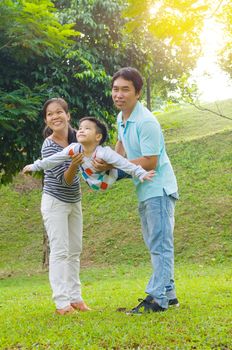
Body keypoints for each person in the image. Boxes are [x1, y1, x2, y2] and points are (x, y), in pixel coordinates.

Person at [93, 67, 179, 314]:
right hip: (144, 188)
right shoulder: (122, 118)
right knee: (155, 243)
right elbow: (120, 148)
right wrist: (105, 163)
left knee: (160, 245)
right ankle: (169, 293)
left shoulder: (146, 121)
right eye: (115, 89)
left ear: (138, 93)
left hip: (158, 188)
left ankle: (157, 299)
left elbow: (150, 161)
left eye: (125, 90)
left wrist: (113, 163)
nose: (118, 94)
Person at [28, 97, 90, 315]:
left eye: (58, 112)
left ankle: (76, 298)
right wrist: (74, 164)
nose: (55, 117)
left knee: (75, 250)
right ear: (46, 120)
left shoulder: (78, 137)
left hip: (75, 200)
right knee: (60, 251)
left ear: (68, 115)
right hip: (55, 202)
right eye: (50, 114)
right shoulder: (49, 146)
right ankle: (61, 303)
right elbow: (65, 179)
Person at [23, 117, 155, 187]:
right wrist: (34, 166)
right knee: (81, 161)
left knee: (122, 168)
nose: (81, 130)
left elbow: (124, 163)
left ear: (98, 137)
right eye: (80, 128)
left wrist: (140, 173)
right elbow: (53, 159)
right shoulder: (74, 148)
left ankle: (148, 170)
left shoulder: (104, 153)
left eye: (87, 128)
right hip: (92, 182)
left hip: (109, 178)